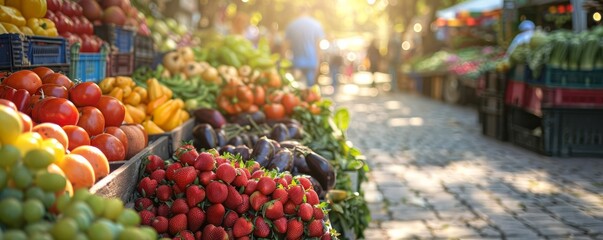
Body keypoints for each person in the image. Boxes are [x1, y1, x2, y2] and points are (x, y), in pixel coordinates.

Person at [284, 5, 325, 87]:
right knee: (310, 90)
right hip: (311, 61)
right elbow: (318, 46)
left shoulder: (292, 25)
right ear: (309, 12)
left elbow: (285, 45)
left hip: (296, 62)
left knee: (296, 88)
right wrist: (319, 62)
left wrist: (284, 61)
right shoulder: (316, 25)